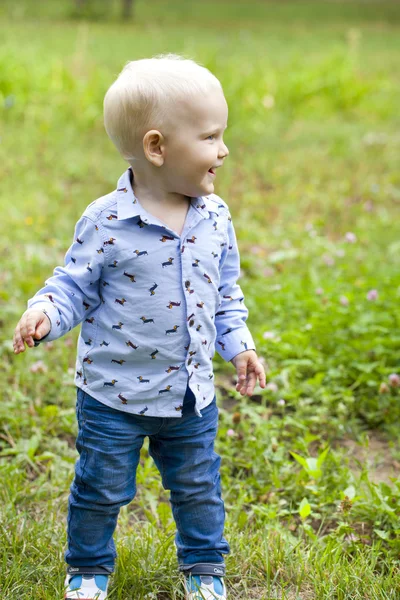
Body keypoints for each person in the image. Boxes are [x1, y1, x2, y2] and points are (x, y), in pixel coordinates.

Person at [12, 53, 266, 600]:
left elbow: (226, 293)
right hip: (112, 396)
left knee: (199, 487)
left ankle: (204, 568)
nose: (224, 150)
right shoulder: (106, 220)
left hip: (190, 396)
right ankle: (87, 569)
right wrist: (43, 314)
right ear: (157, 147)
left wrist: (239, 346)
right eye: (211, 136)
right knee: (102, 489)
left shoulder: (215, 216)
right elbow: (73, 287)